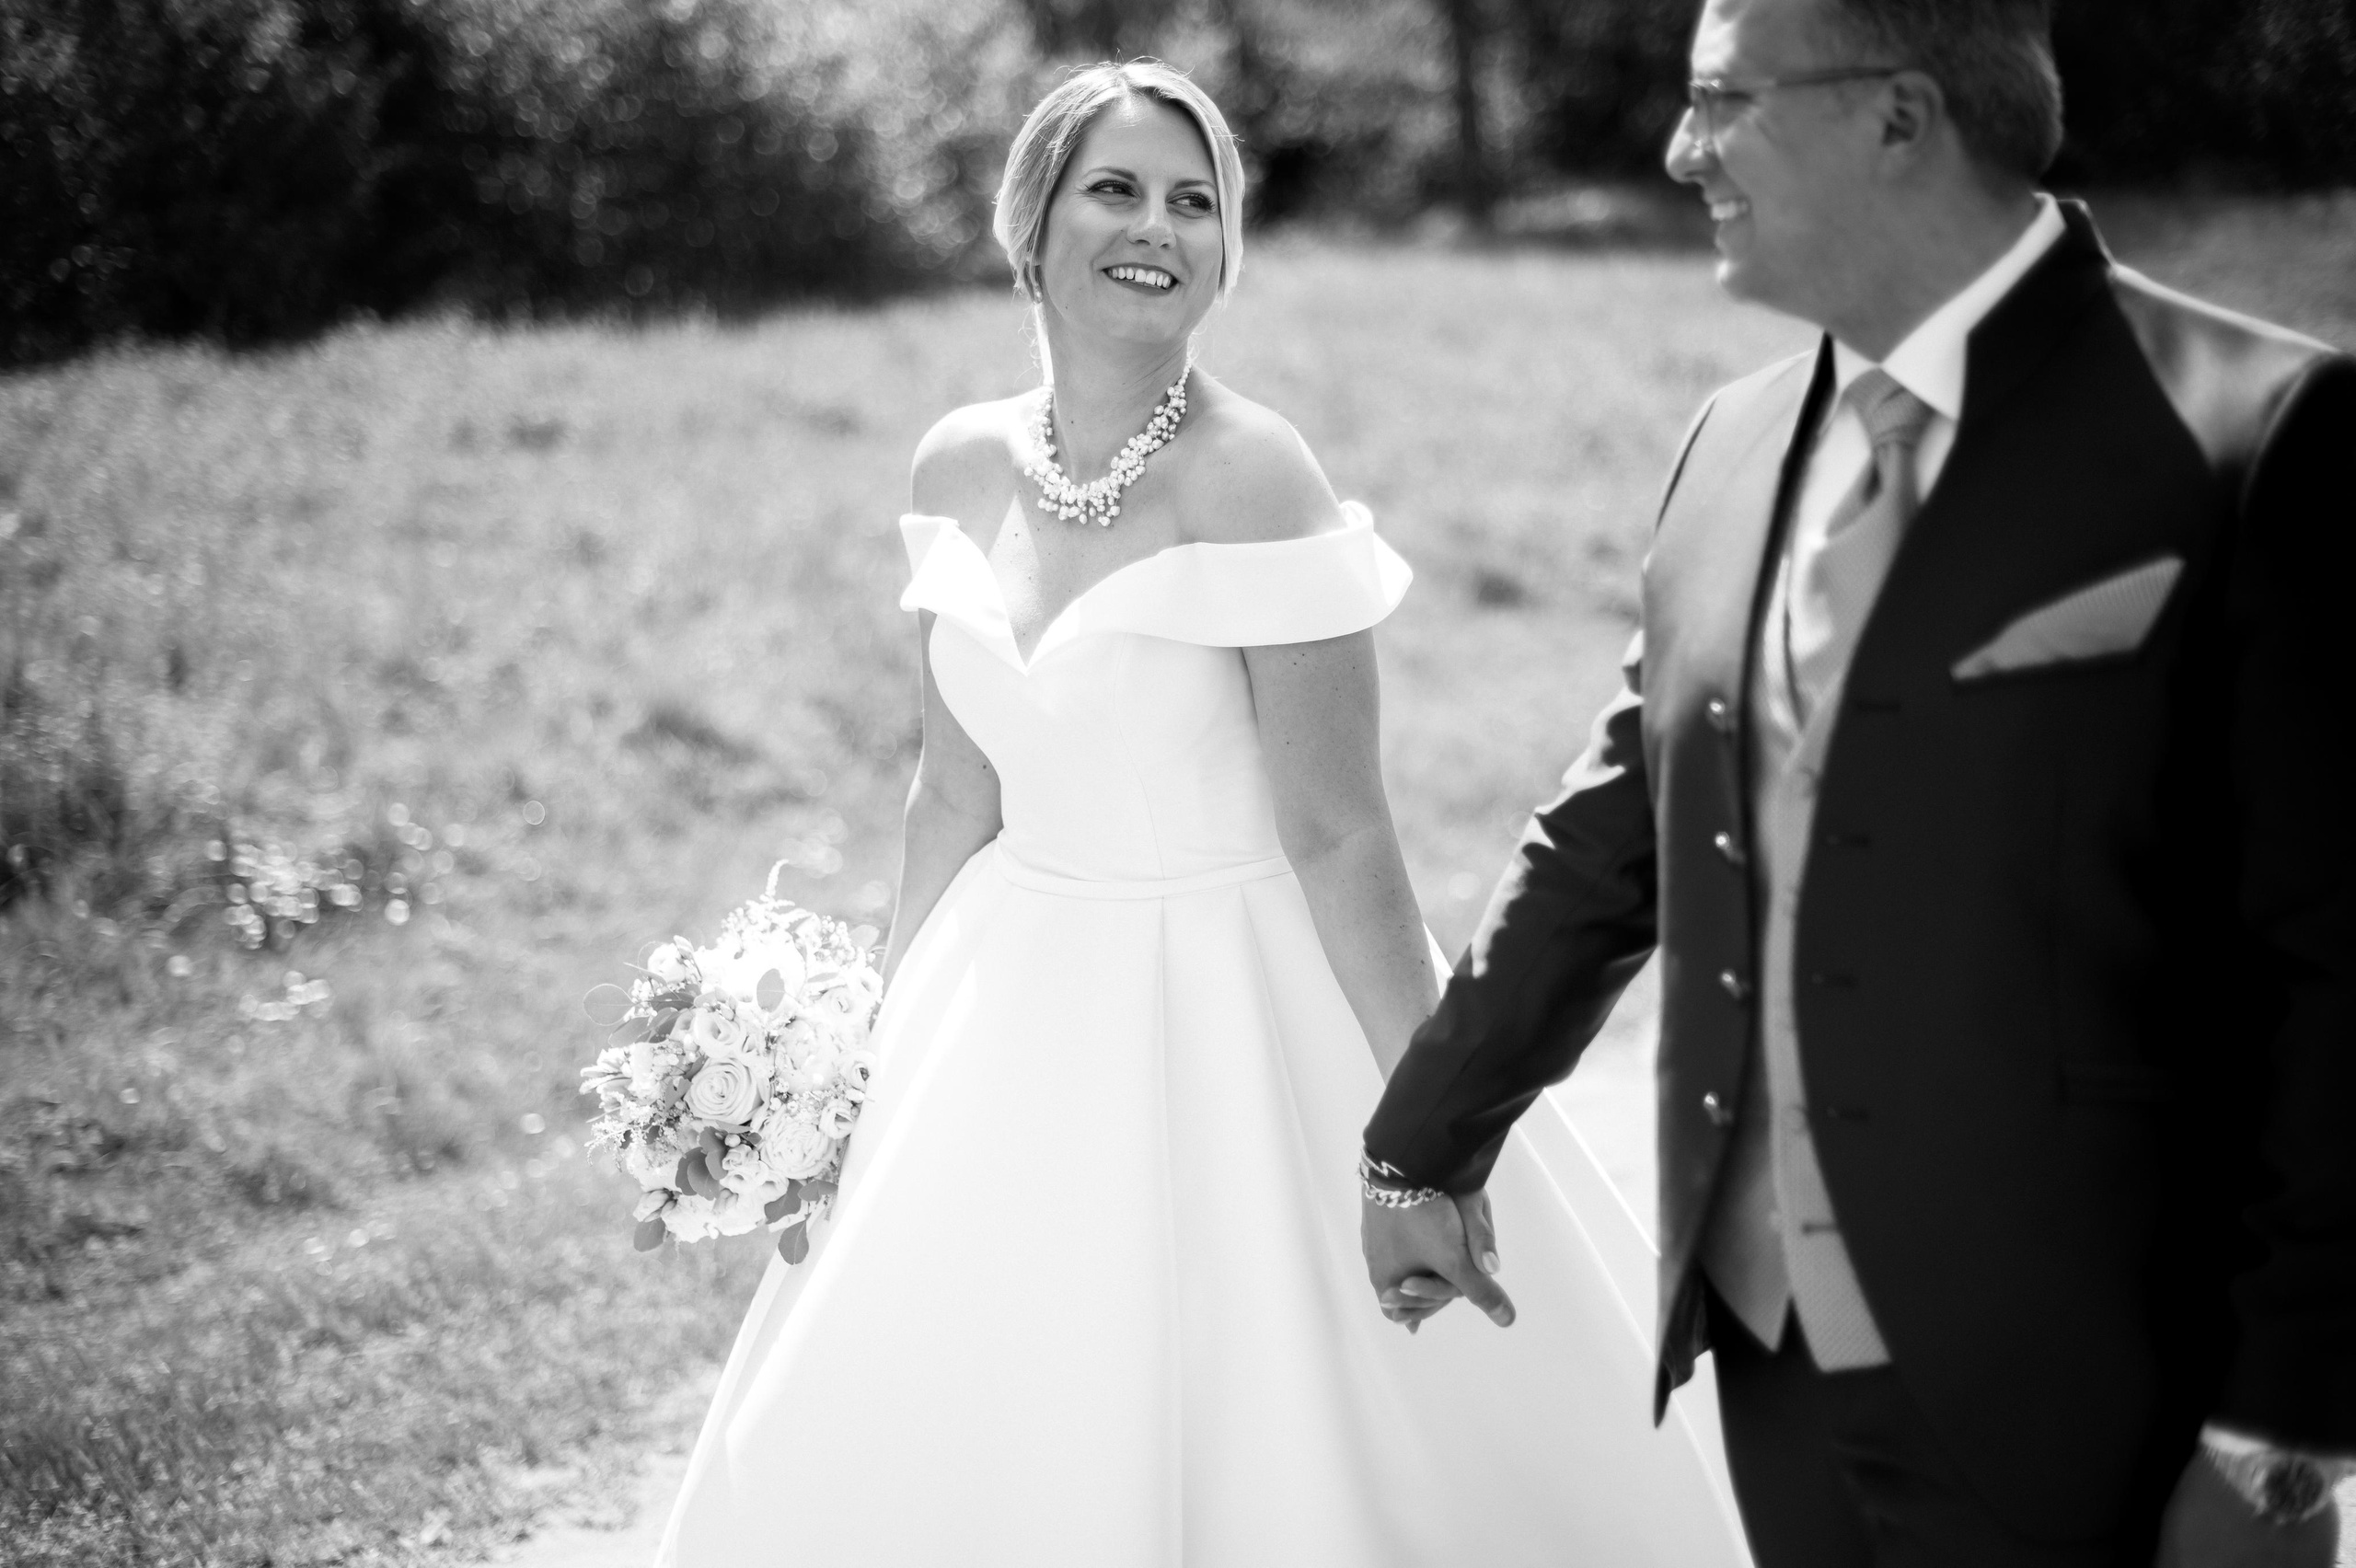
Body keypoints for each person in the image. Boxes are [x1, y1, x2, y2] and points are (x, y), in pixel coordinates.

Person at [653, 61, 1750, 1566]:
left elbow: (1341, 835)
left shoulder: (1256, 475)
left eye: (1194, 201)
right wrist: (865, 1068)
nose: (1156, 227)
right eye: (1115, 189)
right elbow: (950, 792)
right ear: (1031, 221)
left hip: (1246, 992)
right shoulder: (955, 463)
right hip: (1008, 991)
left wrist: (1428, 1135)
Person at [1360, 0, 2356, 1563]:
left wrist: (2284, 1436)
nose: (1681, 151)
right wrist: (1420, 1139)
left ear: (1899, 116)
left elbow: (2341, 975)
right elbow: (1622, 829)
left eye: (1722, 100)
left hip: (2098, 1389)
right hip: (1777, 1368)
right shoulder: (1730, 444)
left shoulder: (2264, 433)